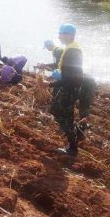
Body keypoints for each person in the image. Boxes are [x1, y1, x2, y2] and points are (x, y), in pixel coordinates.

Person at [49, 23, 83, 156]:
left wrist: (50, 84)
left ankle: (72, 147)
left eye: (61, 34)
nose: (59, 36)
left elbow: (70, 78)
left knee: (62, 114)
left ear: (70, 35)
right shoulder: (72, 49)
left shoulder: (72, 52)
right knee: (59, 111)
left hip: (69, 89)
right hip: (70, 87)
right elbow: (70, 73)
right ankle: (77, 134)